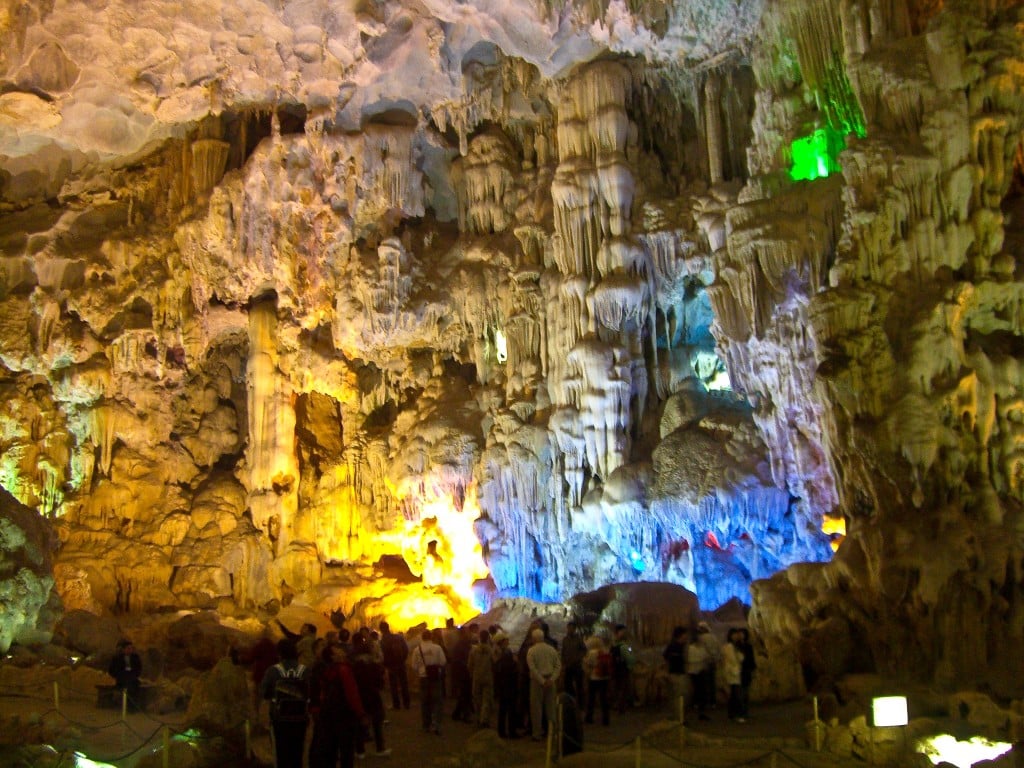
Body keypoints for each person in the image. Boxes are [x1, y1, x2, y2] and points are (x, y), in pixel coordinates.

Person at [308, 642, 368, 768]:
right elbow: (352, 694)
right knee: (346, 751)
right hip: (344, 715)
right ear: (333, 657)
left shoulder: (326, 670)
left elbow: (321, 693)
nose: (341, 652)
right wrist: (361, 713)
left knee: (331, 750)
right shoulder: (344, 670)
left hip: (328, 715)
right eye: (337, 651)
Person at [260, 639, 310, 768]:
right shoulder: (304, 670)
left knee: (281, 751)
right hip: (300, 717)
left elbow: (264, 692)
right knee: (298, 750)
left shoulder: (273, 671)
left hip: (279, 718)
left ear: (280, 653)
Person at [350, 632, 390, 757]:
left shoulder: (354, 666)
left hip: (360, 696)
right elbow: (380, 682)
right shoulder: (374, 666)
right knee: (377, 723)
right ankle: (380, 749)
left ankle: (360, 750)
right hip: (373, 696)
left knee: (359, 723)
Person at [526, 627, 561, 741]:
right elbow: (558, 666)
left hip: (537, 682)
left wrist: (542, 680)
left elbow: (532, 668)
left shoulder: (531, 651)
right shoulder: (551, 650)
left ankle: (537, 734)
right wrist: (552, 679)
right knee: (551, 708)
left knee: (536, 708)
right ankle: (553, 732)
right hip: (550, 680)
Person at [412, 629, 447, 734]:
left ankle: (426, 725)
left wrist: (421, 670)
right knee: (437, 701)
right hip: (435, 678)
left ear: (422, 637)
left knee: (425, 702)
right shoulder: (437, 648)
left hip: (423, 678)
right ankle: (436, 725)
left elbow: (414, 666)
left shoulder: (417, 650)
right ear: (431, 637)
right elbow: (443, 661)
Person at [492, 632, 519, 739]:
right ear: (502, 641)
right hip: (508, 684)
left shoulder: (497, 653)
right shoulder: (505, 654)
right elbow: (509, 669)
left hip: (501, 685)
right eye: (506, 639)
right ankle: (511, 732)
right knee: (511, 709)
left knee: (502, 709)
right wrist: (515, 663)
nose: (508, 641)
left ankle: (501, 731)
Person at [380, 621, 411, 709]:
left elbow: (383, 654)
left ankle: (396, 705)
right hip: (401, 664)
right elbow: (406, 649)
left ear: (381, 630)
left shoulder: (383, 640)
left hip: (391, 666)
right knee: (404, 684)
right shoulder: (399, 637)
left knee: (393, 686)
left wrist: (386, 665)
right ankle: (407, 703)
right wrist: (403, 660)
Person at [582, 634, 611, 726]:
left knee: (591, 698)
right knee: (604, 699)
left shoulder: (591, 653)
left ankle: (589, 717)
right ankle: (606, 718)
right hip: (605, 677)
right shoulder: (605, 651)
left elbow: (587, 663)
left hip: (594, 678)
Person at [468, 628, 494, 727]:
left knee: (477, 698)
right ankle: (484, 719)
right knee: (486, 699)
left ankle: (478, 717)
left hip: (477, 676)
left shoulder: (474, 650)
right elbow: (494, 662)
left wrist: (471, 673)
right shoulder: (490, 651)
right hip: (488, 676)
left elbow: (470, 664)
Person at [108, 639, 142, 710]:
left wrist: (134, 675)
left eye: (131, 648)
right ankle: (127, 706)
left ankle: (132, 706)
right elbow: (112, 670)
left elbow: (138, 669)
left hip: (132, 677)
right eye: (128, 648)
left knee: (134, 685)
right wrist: (118, 676)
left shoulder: (135, 657)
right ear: (123, 649)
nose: (130, 650)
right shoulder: (117, 658)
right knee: (127, 684)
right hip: (122, 678)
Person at [663, 626, 688, 720]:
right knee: (677, 696)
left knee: (680, 695)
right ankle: (678, 717)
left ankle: (679, 716)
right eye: (685, 634)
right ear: (680, 635)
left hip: (681, 673)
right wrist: (667, 672)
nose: (686, 636)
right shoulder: (673, 646)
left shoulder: (683, 646)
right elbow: (666, 658)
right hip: (674, 674)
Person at [686, 629, 711, 721]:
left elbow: (705, 657)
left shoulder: (700, 648)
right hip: (695, 672)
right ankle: (697, 708)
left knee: (701, 691)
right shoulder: (691, 648)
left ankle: (700, 709)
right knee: (698, 691)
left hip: (700, 671)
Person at [610, 624, 635, 713]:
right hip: (623, 670)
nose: (625, 633)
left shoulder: (613, 646)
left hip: (614, 669)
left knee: (616, 688)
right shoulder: (624, 646)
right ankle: (621, 707)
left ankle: (616, 705)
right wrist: (630, 666)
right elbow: (631, 658)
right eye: (623, 631)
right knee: (623, 688)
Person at [560, 621, 587, 704]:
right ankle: (570, 702)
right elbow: (563, 651)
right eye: (569, 628)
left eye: (572, 628)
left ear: (574, 629)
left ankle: (581, 703)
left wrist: (578, 658)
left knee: (579, 685)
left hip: (577, 666)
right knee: (567, 685)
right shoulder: (565, 639)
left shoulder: (578, 639)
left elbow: (584, 650)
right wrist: (563, 662)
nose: (570, 630)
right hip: (568, 666)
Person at [722, 629, 745, 722]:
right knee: (736, 695)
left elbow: (741, 658)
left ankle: (732, 714)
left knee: (734, 695)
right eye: (734, 635)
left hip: (736, 672)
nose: (735, 637)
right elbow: (732, 659)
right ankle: (738, 714)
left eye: (736, 635)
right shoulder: (728, 647)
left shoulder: (737, 646)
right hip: (732, 673)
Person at [737, 628, 756, 721]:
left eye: (742, 633)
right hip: (738, 671)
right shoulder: (736, 646)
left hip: (746, 670)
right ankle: (741, 712)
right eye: (739, 634)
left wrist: (753, 669)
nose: (741, 635)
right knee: (741, 693)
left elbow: (751, 658)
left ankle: (745, 711)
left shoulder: (748, 646)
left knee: (745, 692)